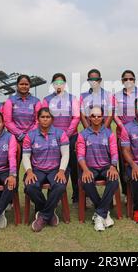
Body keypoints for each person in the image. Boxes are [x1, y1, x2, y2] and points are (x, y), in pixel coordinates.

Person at [22, 108, 70, 232]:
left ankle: (42, 216)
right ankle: (49, 212)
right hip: (37, 169)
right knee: (30, 187)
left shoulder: (61, 134)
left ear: (52, 119)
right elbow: (26, 156)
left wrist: (61, 171)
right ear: (38, 119)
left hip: (55, 169)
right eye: (42, 117)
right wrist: (29, 171)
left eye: (48, 117)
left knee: (60, 186)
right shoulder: (30, 135)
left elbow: (65, 154)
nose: (45, 119)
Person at [76, 106, 119, 231]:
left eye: (98, 116)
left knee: (114, 180)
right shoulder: (83, 135)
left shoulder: (109, 133)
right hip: (90, 167)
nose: (96, 118)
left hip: (106, 166)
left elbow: (114, 153)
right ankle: (104, 213)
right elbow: (80, 155)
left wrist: (113, 166)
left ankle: (99, 214)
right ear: (89, 118)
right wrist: (85, 169)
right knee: (86, 181)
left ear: (102, 118)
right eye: (93, 116)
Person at [42, 73, 80, 205]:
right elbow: (44, 118)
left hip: (72, 137)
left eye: (61, 82)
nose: (59, 85)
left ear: (65, 84)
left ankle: (77, 196)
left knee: (74, 168)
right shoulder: (46, 100)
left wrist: (67, 134)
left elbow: (76, 117)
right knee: (54, 167)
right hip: (52, 138)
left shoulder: (72, 98)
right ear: (52, 84)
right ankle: (54, 196)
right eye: (56, 82)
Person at [114, 70, 138, 202]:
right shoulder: (116, 95)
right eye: (126, 79)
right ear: (122, 81)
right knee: (125, 163)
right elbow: (115, 115)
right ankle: (126, 193)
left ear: (134, 80)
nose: (128, 80)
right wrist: (124, 128)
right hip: (122, 132)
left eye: (131, 78)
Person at [3, 75, 42, 145]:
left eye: (26, 84)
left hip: (32, 139)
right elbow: (7, 121)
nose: (24, 86)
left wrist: (29, 136)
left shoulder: (36, 101)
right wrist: (20, 135)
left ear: (29, 85)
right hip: (14, 139)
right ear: (17, 85)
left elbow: (38, 121)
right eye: (21, 84)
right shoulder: (10, 101)